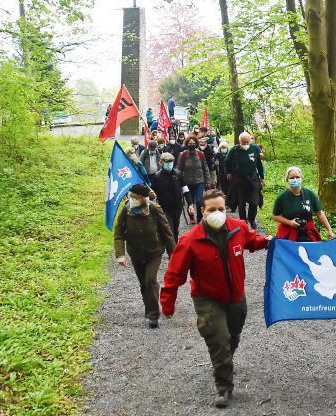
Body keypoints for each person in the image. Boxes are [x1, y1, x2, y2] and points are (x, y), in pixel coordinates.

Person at [160, 190, 271, 408]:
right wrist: (167, 303)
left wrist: (268, 242)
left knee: (233, 336)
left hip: (236, 296)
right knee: (218, 340)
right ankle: (224, 386)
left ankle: (225, 359)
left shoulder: (238, 227)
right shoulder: (190, 240)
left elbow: (252, 241)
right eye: (212, 209)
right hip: (207, 298)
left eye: (221, 209)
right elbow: (174, 274)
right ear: (203, 211)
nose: (217, 213)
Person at [114, 184, 176, 329]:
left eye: (135, 197)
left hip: (154, 252)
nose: (132, 199)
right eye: (131, 196)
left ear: (142, 198)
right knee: (143, 283)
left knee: (150, 280)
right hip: (135, 253)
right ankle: (149, 303)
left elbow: (166, 232)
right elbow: (118, 233)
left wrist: (173, 254)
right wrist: (120, 254)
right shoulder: (126, 209)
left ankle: (153, 315)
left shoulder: (154, 209)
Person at [272, 166, 334, 242]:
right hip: (289, 232)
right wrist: (290, 222)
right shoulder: (282, 197)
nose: (295, 179)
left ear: (301, 178)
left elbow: (319, 213)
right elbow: (275, 216)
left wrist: (329, 230)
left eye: (297, 177)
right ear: (287, 180)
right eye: (292, 178)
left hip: (308, 231)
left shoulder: (309, 194)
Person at [225, 132, 265, 229]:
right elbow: (227, 161)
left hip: (253, 179)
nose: (246, 144)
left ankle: (251, 219)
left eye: (247, 142)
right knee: (241, 203)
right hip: (239, 180)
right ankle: (243, 222)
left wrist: (262, 178)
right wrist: (228, 173)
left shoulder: (255, 148)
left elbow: (259, 164)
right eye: (243, 142)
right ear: (240, 142)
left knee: (254, 202)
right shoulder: (234, 150)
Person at [150, 152, 191, 241]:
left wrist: (190, 203)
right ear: (162, 163)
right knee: (169, 228)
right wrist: (151, 195)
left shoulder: (179, 174)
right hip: (164, 207)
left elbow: (185, 189)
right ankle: (171, 247)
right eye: (167, 162)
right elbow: (152, 192)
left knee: (175, 228)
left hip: (177, 206)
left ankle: (175, 244)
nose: (169, 164)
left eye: (171, 162)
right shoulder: (157, 176)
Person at [177, 135, 209, 223]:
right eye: (190, 143)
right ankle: (191, 216)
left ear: (196, 144)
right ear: (187, 144)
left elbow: (205, 167)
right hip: (187, 182)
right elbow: (178, 169)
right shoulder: (183, 155)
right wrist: (178, 182)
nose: (192, 145)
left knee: (199, 201)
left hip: (199, 181)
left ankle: (199, 219)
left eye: (193, 143)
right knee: (190, 201)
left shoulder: (200, 154)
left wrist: (208, 180)